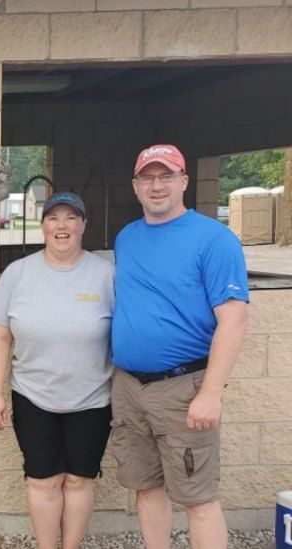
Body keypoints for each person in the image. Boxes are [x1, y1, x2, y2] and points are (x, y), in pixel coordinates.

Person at [111, 144, 248, 549]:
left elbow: (234, 320)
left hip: (183, 387)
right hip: (129, 387)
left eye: (166, 176)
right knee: (146, 488)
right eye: (148, 177)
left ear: (184, 181)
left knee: (198, 497)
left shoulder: (214, 239)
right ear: (135, 186)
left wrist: (210, 394)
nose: (157, 186)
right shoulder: (127, 238)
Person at [0, 192, 115, 549]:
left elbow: (128, 333)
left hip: (92, 399)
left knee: (78, 481)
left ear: (83, 225)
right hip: (33, 396)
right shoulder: (18, 274)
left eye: (71, 217)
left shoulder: (106, 275)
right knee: (43, 481)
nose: (62, 226)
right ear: (42, 226)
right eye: (53, 218)